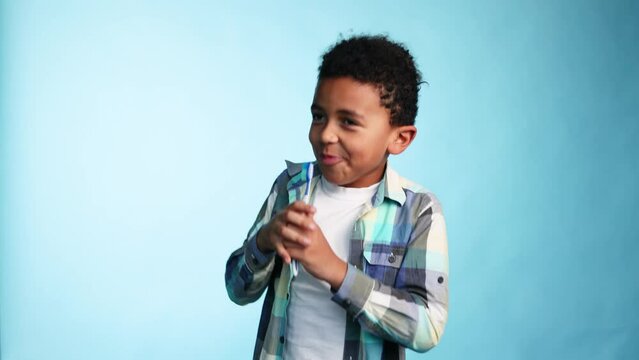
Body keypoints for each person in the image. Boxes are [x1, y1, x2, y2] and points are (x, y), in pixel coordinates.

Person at [225, 34, 448, 360]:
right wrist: (263, 242)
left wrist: (337, 272)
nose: (326, 134)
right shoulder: (290, 186)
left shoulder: (417, 212)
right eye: (318, 116)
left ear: (399, 138)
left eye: (348, 121)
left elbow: (428, 327)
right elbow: (237, 290)